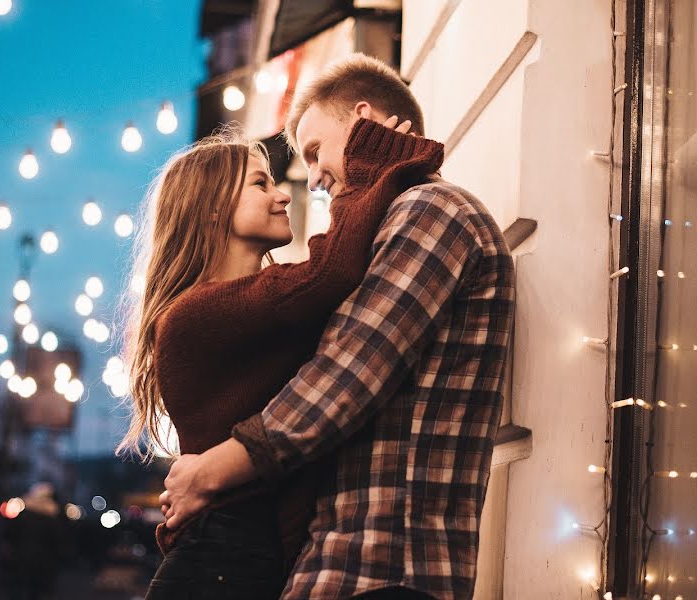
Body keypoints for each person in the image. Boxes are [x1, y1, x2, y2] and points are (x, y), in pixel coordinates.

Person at [159, 53, 516, 600]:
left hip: (385, 563)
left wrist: (209, 472)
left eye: (314, 152)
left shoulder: (430, 211)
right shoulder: (202, 311)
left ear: (363, 123)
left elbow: (343, 378)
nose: (309, 181)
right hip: (344, 560)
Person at [118, 112, 442, 599]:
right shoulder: (197, 312)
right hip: (221, 564)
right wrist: (371, 162)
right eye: (259, 183)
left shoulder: (258, 308)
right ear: (210, 208)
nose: (284, 193)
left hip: (241, 559)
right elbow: (332, 271)